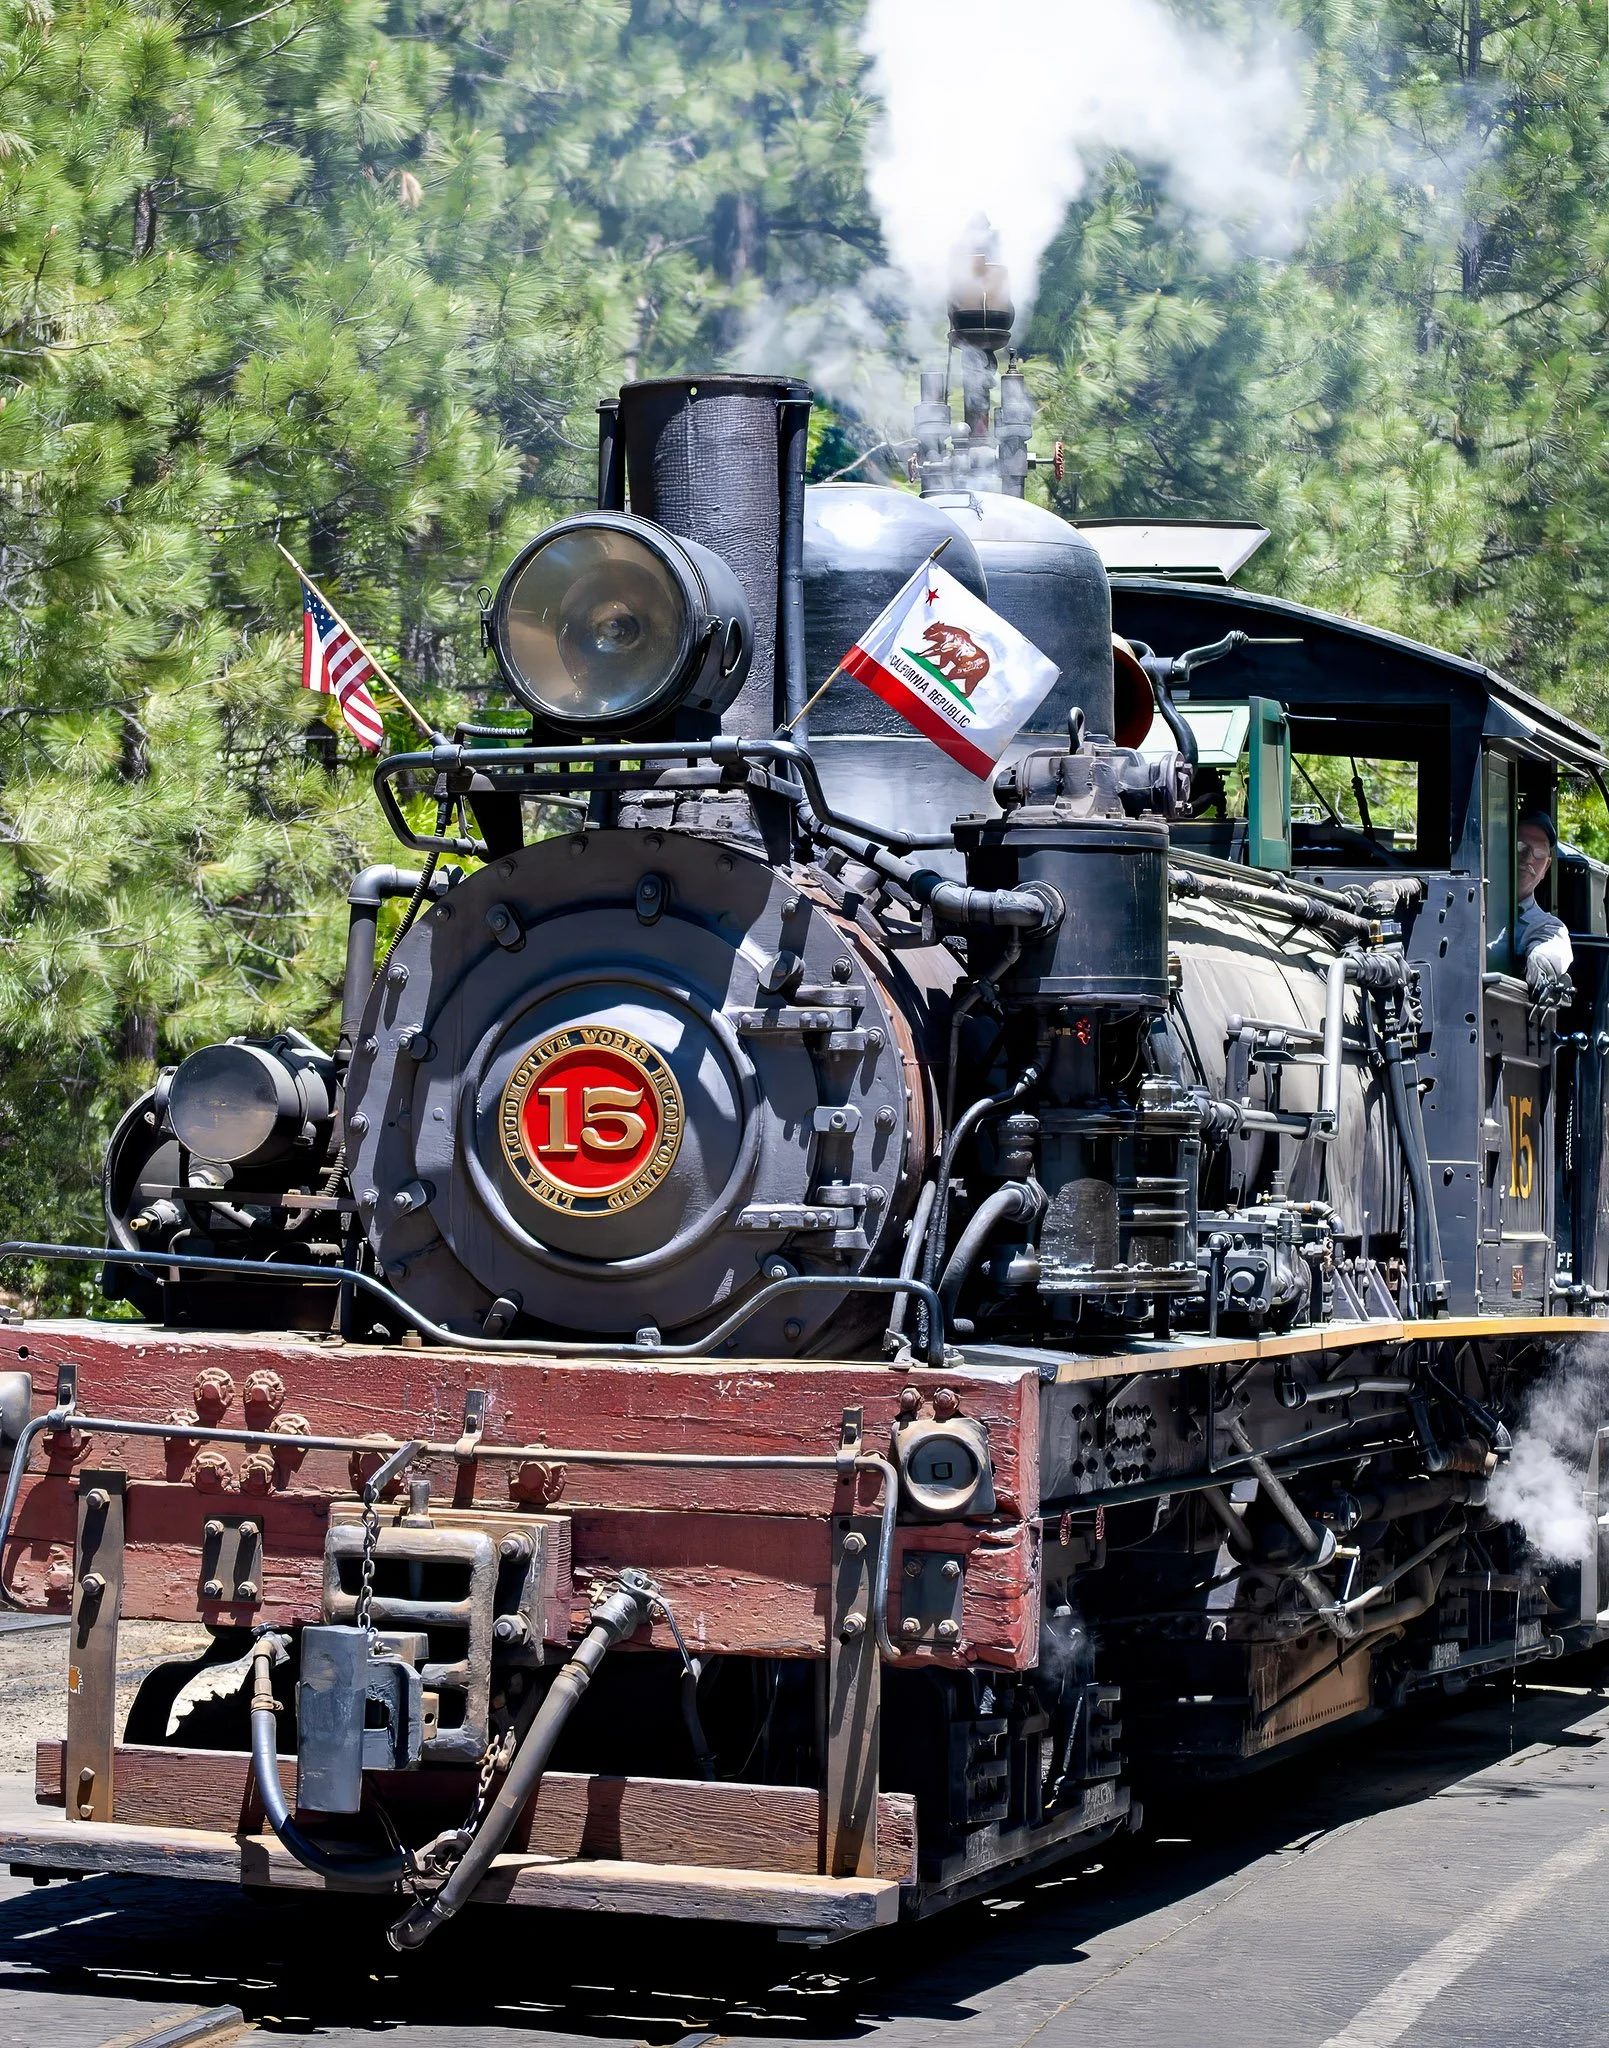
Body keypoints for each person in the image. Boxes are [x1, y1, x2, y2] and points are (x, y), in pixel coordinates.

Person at [1511, 808, 1573, 994]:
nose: (1528, 858)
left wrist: (1539, 962)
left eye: (1539, 852)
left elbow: (1552, 950)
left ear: (1546, 866)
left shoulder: (1548, 927)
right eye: (1520, 846)